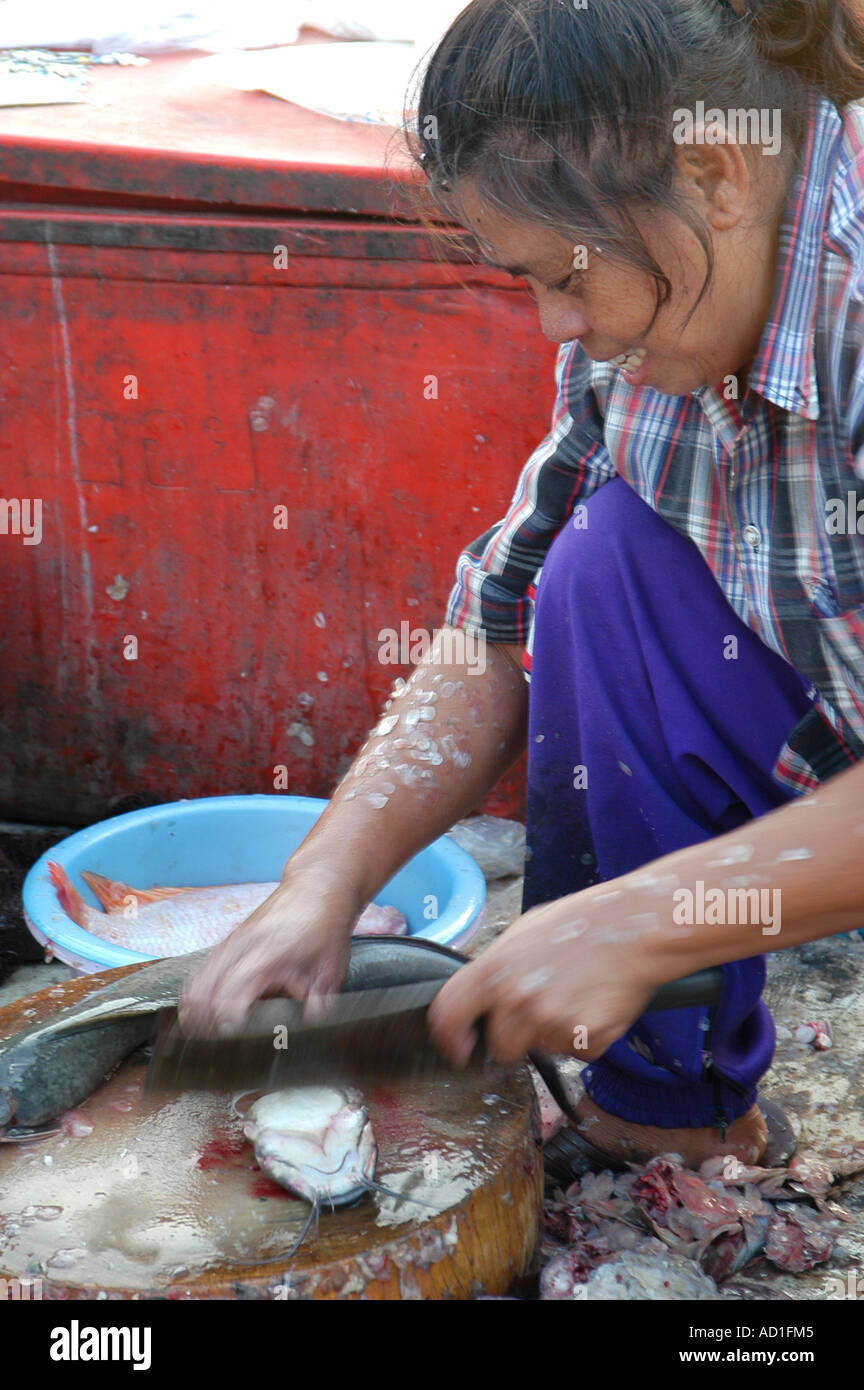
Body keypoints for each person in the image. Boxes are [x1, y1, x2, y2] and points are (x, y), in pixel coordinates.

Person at [181, 0, 864, 1170]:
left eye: (568, 278)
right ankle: (670, 1116)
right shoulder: (659, 305)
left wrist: (646, 921)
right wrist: (323, 881)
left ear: (713, 176)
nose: (561, 327)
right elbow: (492, 628)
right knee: (600, 567)